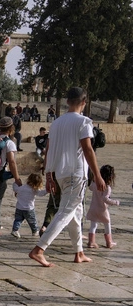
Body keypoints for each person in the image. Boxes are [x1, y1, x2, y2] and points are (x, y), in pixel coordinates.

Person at [29, 87, 105, 267]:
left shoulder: (56, 123)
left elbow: (49, 150)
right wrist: (98, 175)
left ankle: (79, 252)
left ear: (68, 101)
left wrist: (49, 175)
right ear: (84, 102)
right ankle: (39, 249)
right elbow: (87, 149)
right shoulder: (84, 122)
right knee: (65, 212)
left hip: (61, 173)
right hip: (76, 173)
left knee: (74, 212)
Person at [87, 165, 118, 249]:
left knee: (93, 225)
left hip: (93, 208)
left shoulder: (95, 184)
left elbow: (90, 187)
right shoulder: (107, 188)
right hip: (102, 209)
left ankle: (91, 242)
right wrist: (114, 202)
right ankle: (109, 242)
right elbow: (105, 198)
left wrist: (93, 179)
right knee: (107, 224)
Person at [11, 172, 46, 239]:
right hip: (29, 209)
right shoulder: (34, 189)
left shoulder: (21, 187)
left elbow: (15, 188)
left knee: (18, 220)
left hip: (19, 208)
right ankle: (35, 231)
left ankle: (15, 230)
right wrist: (47, 190)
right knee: (32, 221)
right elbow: (41, 193)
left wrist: (15, 182)